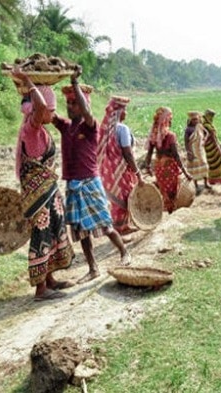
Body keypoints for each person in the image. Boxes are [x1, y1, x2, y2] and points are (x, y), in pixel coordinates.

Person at [53, 69, 130, 284]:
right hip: (73, 185)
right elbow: (48, 114)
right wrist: (36, 88)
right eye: (67, 103)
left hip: (89, 183)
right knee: (80, 231)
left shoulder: (90, 126)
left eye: (74, 103)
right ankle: (93, 268)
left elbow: (86, 112)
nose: (69, 107)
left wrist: (75, 82)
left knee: (105, 225)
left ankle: (124, 252)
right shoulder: (66, 127)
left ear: (83, 104)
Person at [11, 67, 75, 300]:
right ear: (42, 109)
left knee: (51, 233)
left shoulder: (42, 129)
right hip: (39, 197)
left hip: (47, 192)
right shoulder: (32, 126)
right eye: (51, 109)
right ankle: (40, 290)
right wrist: (29, 81)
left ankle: (49, 280)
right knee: (41, 235)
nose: (53, 114)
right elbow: (38, 105)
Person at [97, 95, 143, 242]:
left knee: (115, 198)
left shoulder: (104, 129)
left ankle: (119, 227)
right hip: (121, 170)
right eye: (125, 110)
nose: (126, 113)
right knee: (125, 196)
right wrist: (137, 172)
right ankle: (121, 228)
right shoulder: (122, 129)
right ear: (119, 112)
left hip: (108, 171)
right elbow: (127, 152)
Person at [144, 107, 193, 213]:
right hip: (170, 169)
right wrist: (185, 172)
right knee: (173, 193)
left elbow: (149, 153)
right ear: (166, 120)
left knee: (164, 191)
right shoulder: (171, 136)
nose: (171, 121)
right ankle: (172, 211)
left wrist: (147, 166)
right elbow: (176, 156)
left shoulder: (154, 135)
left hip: (159, 168)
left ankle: (167, 209)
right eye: (170, 119)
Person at [184, 111, 210, 194]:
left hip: (200, 150)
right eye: (193, 120)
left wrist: (204, 140)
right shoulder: (188, 130)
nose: (195, 121)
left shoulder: (200, 126)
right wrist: (189, 152)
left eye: (196, 119)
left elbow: (207, 133)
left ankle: (206, 183)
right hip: (193, 150)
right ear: (190, 120)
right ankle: (196, 185)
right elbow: (186, 142)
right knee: (194, 168)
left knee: (204, 165)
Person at [201, 109, 221, 185]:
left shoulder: (203, 125)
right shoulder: (208, 126)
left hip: (208, 148)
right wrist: (219, 149)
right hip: (213, 147)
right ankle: (217, 179)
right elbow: (214, 139)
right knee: (218, 163)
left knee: (211, 163)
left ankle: (212, 179)